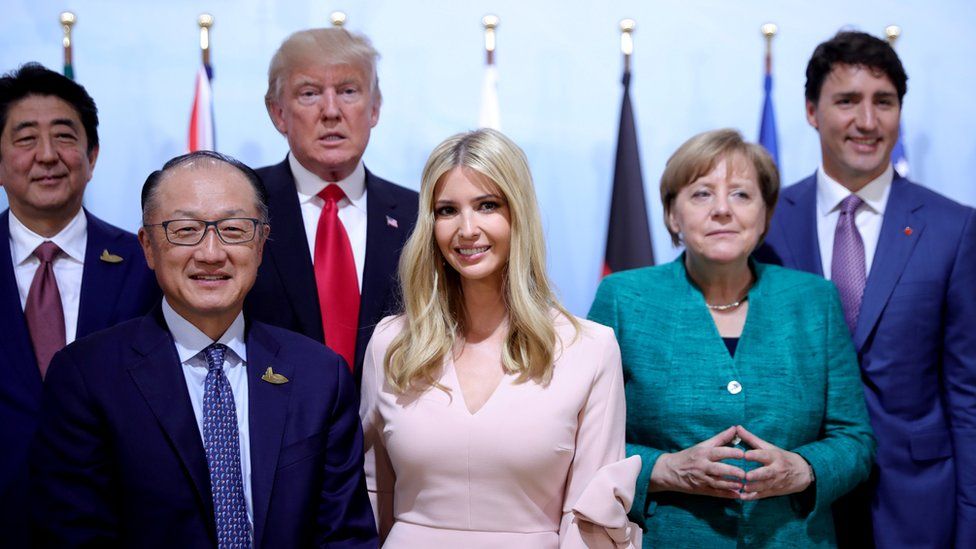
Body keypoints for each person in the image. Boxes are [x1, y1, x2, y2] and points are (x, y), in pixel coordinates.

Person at [29, 151, 376, 547]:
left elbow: (345, 537)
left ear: (261, 245)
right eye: (185, 229)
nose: (211, 253)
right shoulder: (87, 377)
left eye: (233, 229)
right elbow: (73, 535)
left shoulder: (319, 376)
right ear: (147, 246)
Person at [589, 128, 875, 547]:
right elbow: (588, 441)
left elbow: (855, 438)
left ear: (764, 215)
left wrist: (804, 468)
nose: (722, 209)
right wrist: (666, 469)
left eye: (741, 194)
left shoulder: (814, 301)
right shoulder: (624, 298)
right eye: (702, 194)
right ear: (672, 215)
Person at [360, 128, 641, 548]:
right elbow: (371, 495)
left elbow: (590, 519)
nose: (467, 229)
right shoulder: (392, 343)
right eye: (447, 210)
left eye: (487, 206)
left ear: (519, 214)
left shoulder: (590, 349)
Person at [755, 31, 976, 548]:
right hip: (794, 507)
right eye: (847, 101)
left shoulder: (955, 229)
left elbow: (968, 394)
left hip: (918, 505)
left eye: (885, 102)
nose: (868, 121)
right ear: (812, 111)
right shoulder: (764, 224)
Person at [0, 62, 159, 546]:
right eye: (26, 138)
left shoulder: (149, 262)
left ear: (92, 155)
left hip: (120, 520)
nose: (47, 156)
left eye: (65, 137)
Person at [247, 27, 419, 382]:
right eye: (309, 93)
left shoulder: (419, 216)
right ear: (278, 113)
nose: (331, 111)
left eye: (348, 91)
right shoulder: (239, 206)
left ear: (374, 108)